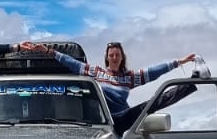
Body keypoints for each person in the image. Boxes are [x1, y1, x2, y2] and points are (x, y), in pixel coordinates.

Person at [18, 39, 198, 133]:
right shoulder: (96, 73)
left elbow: (153, 72)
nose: (114, 57)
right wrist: (48, 51)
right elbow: (71, 63)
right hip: (102, 121)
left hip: (123, 119)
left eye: (117, 55)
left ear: (122, 57)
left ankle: (192, 82)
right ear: (107, 57)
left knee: (154, 102)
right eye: (111, 55)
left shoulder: (129, 77)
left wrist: (179, 62)